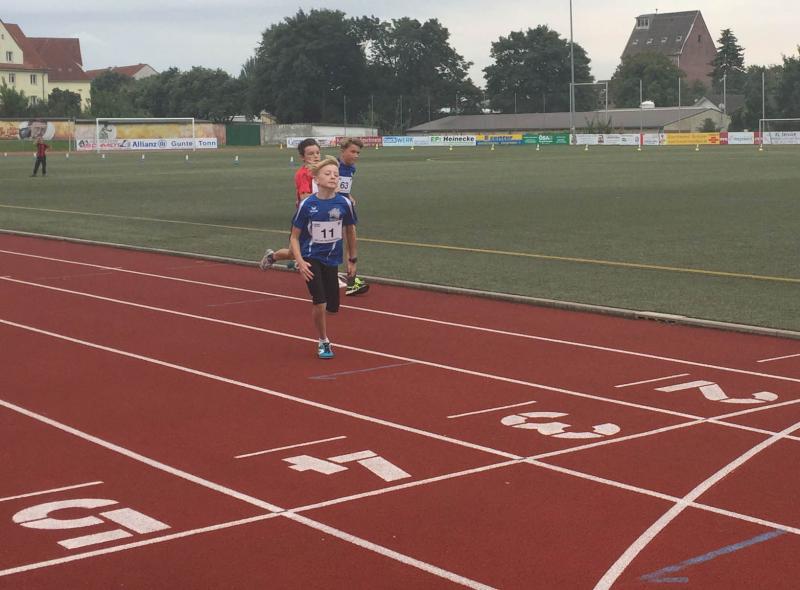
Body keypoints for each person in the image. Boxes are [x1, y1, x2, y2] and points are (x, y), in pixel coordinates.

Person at [290, 156, 358, 359]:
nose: (333, 177)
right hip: (311, 257)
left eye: (336, 174)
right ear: (316, 179)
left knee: (333, 307)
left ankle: (321, 317)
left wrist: (352, 259)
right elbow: (294, 237)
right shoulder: (307, 205)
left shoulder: (345, 203)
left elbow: (350, 231)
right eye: (327, 174)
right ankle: (323, 341)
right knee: (319, 301)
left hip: (332, 258)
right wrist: (300, 261)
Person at [259, 138, 321, 270]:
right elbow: (304, 197)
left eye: (317, 153)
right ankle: (272, 257)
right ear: (302, 157)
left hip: (320, 216)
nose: (315, 156)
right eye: (311, 154)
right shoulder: (303, 174)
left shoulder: (322, 171)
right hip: (305, 218)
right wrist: (324, 197)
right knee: (293, 253)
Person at [337, 138, 369, 296]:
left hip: (345, 207)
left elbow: (344, 186)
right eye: (353, 152)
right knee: (334, 242)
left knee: (351, 240)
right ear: (343, 151)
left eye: (358, 153)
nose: (356, 155)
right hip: (332, 208)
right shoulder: (334, 166)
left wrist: (348, 195)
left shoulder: (351, 168)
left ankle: (352, 280)